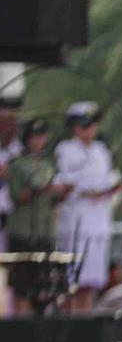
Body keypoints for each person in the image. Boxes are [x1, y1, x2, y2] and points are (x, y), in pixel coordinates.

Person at [54, 101, 121, 311]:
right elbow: (74, 184)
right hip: (76, 224)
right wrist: (97, 189)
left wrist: (110, 188)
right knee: (73, 284)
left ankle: (85, 322)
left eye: (92, 125)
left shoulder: (101, 151)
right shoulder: (66, 150)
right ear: (74, 127)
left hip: (99, 224)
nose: (89, 130)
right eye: (84, 125)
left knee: (92, 283)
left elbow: (109, 180)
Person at [6, 118, 68, 314]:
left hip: (45, 232)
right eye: (34, 136)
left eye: (42, 136)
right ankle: (19, 335)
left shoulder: (51, 163)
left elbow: (56, 198)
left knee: (44, 290)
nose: (38, 141)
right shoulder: (17, 164)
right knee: (21, 288)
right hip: (23, 233)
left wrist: (61, 191)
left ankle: (38, 337)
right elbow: (18, 196)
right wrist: (40, 189)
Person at [0, 102, 22, 253]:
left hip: (14, 213)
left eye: (11, 122)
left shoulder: (21, 150)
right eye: (3, 123)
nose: (7, 127)